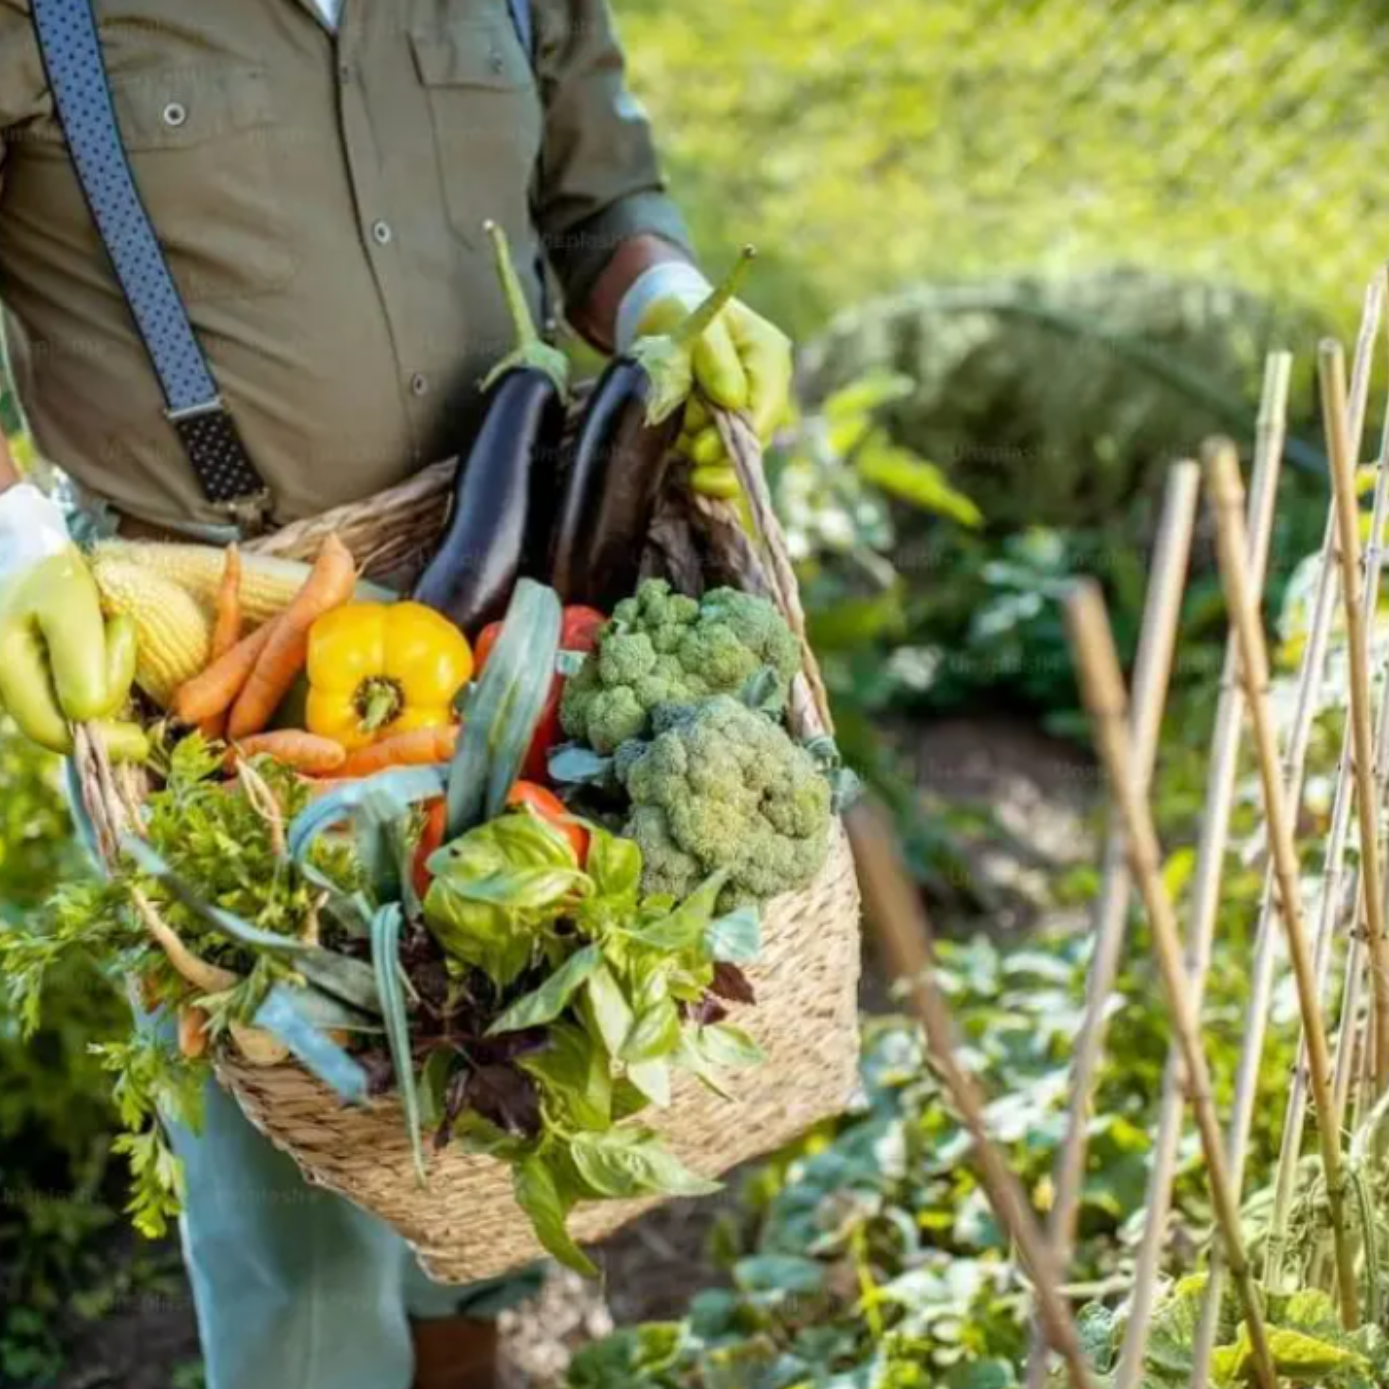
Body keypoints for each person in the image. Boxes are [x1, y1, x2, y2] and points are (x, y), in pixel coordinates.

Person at [0, 3, 793, 1388]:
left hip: (526, 612)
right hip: (222, 675)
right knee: (294, 1190)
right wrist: (8, 538)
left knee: (503, 1097)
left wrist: (664, 295)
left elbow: (594, 198)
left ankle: (462, 1360)